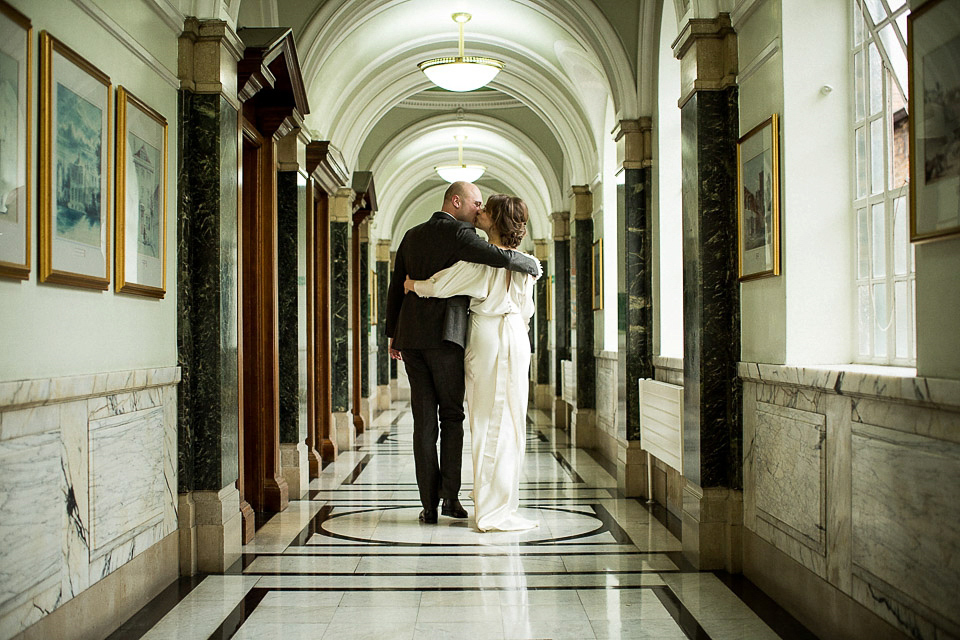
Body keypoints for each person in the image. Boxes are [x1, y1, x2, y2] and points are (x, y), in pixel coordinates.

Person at [385, 182, 541, 525]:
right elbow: (501, 262)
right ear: (457, 202)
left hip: (413, 338)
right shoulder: (464, 236)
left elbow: (399, 283)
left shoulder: (410, 235)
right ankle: (451, 499)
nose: (478, 209)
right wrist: (529, 263)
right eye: (475, 203)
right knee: (453, 417)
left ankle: (428, 505)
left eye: (484, 207)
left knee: (424, 422)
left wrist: (393, 333)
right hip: (452, 339)